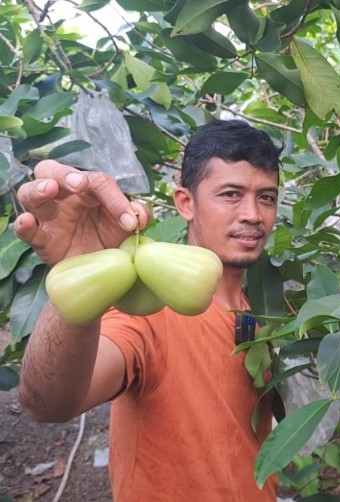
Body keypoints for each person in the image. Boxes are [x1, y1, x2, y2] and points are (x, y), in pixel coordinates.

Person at [13, 119, 282, 501]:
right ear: (185, 203)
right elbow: (46, 403)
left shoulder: (261, 308)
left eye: (266, 197)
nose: (253, 214)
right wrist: (80, 278)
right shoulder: (146, 308)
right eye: (231, 194)